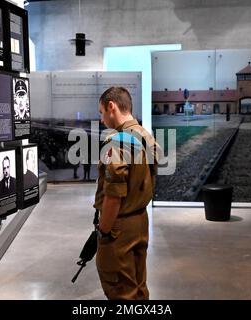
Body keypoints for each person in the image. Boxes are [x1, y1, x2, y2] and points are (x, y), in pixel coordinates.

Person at [94, 86, 160, 300]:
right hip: (140, 221)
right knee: (138, 286)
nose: (103, 119)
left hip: (119, 227)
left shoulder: (119, 142)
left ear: (111, 106)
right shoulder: (144, 135)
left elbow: (114, 196)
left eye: (102, 112)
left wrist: (103, 231)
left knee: (121, 290)